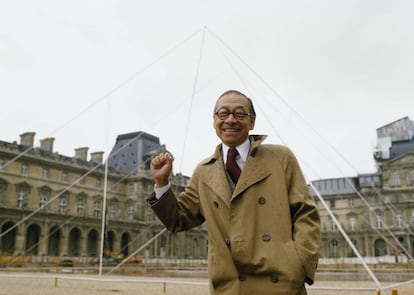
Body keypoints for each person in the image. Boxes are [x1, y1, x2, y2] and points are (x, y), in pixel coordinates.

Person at [147, 90, 321, 295]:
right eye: (223, 114)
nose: (230, 120)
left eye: (239, 114)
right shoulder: (203, 171)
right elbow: (178, 219)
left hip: (280, 283)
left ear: (252, 122)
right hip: (229, 286)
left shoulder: (280, 157)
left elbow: (305, 213)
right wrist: (161, 182)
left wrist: (299, 262)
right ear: (214, 121)